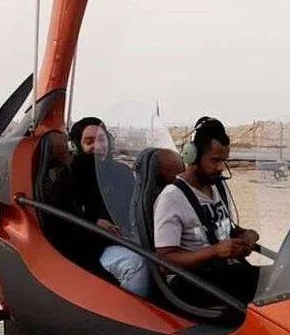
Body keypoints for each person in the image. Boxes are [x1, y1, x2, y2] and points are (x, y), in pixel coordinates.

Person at [153, 116, 261, 307]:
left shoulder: (216, 187)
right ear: (192, 156)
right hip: (191, 282)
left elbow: (220, 228)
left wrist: (246, 235)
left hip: (223, 274)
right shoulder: (171, 198)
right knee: (265, 290)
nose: (220, 167)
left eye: (224, 161)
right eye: (215, 160)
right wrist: (214, 252)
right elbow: (164, 262)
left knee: (281, 281)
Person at [68, 117, 150, 297]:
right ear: (76, 146)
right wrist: (94, 223)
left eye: (101, 139)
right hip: (93, 250)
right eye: (89, 141)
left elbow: (137, 208)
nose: (97, 146)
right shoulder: (69, 177)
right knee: (136, 265)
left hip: (127, 239)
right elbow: (64, 220)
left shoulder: (123, 172)